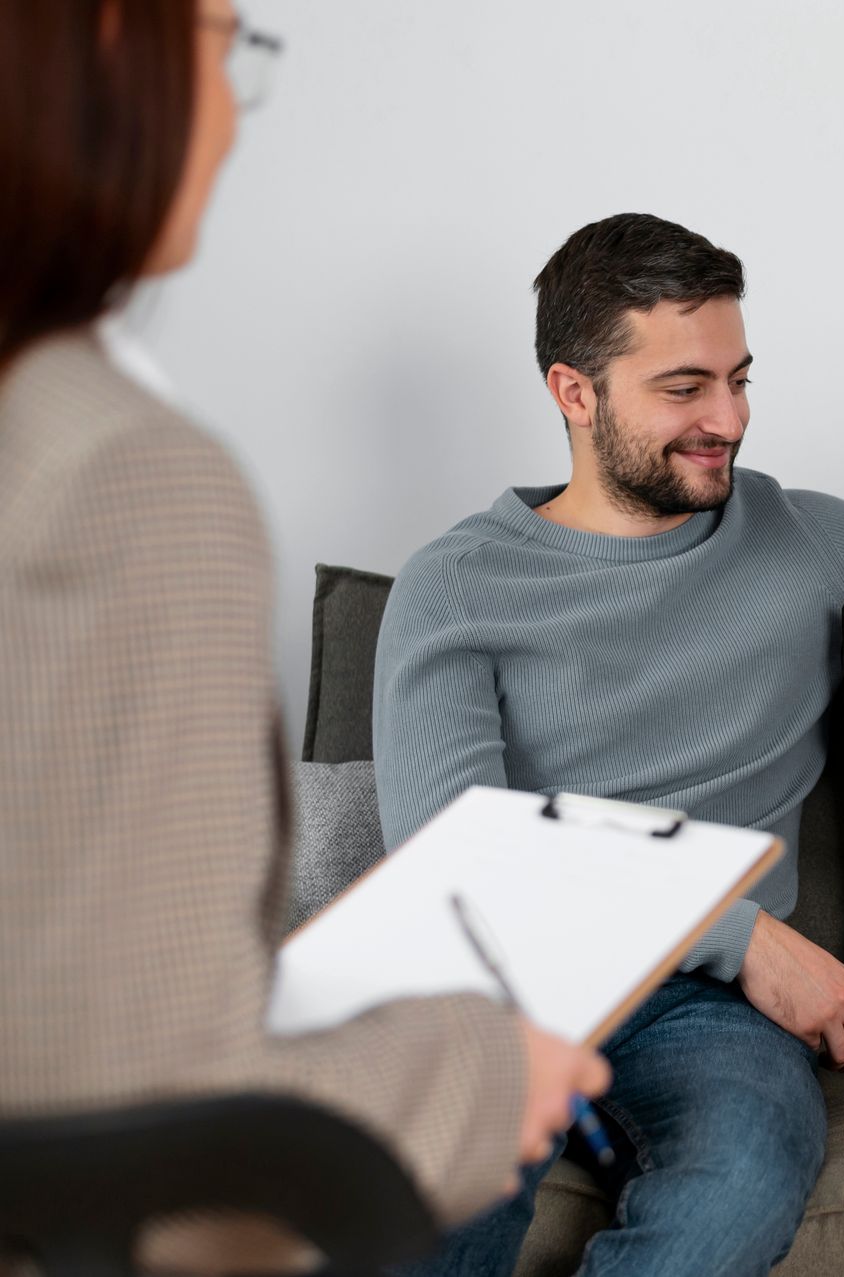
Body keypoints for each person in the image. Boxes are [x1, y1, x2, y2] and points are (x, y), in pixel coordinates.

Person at [0, 0, 607, 1261]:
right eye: (227, 41)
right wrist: (482, 1074)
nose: (233, 105)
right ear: (116, 43)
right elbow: (152, 1105)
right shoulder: (124, 477)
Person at [373, 212, 844, 1276]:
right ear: (573, 392)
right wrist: (746, 938)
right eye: (685, 388)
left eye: (740, 379)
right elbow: (464, 857)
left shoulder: (800, 536)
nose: (728, 418)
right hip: (505, 982)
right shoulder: (453, 585)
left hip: (704, 1017)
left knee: (742, 1173)